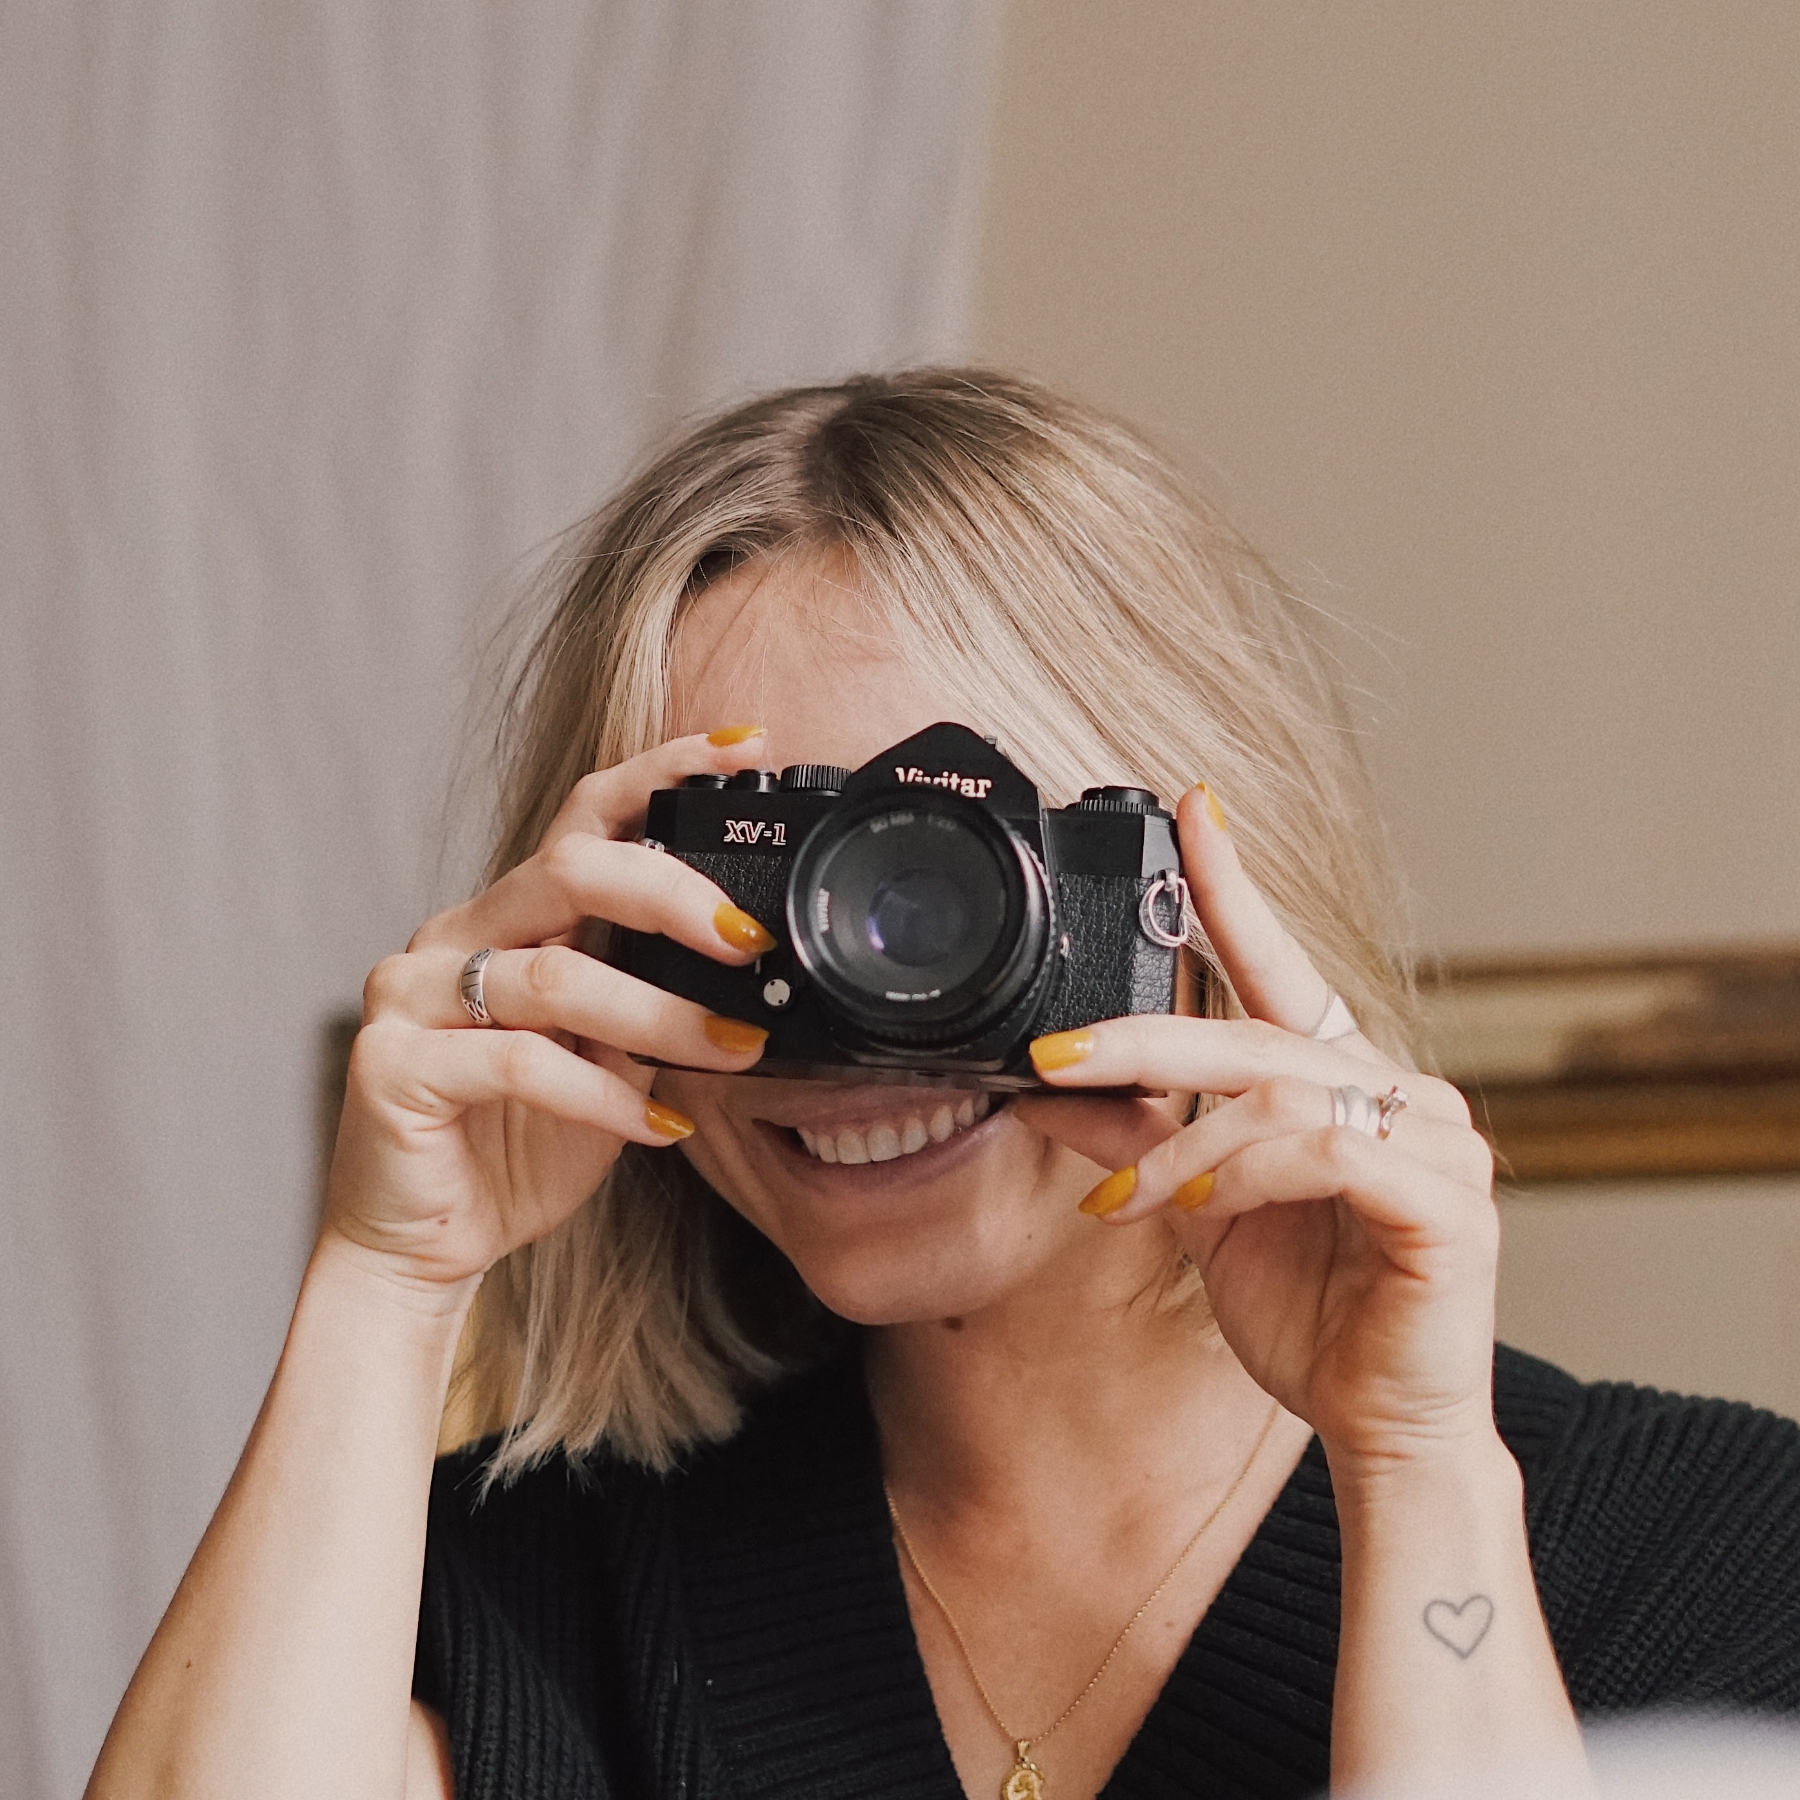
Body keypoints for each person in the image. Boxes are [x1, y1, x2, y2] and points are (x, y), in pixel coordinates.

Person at [88, 372, 1800, 1800]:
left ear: (1193, 884)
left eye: (957, 878)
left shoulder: (1713, 1554)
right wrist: (390, 1282)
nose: (862, 988)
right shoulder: (544, 1586)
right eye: (768, 886)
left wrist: (1418, 1464)